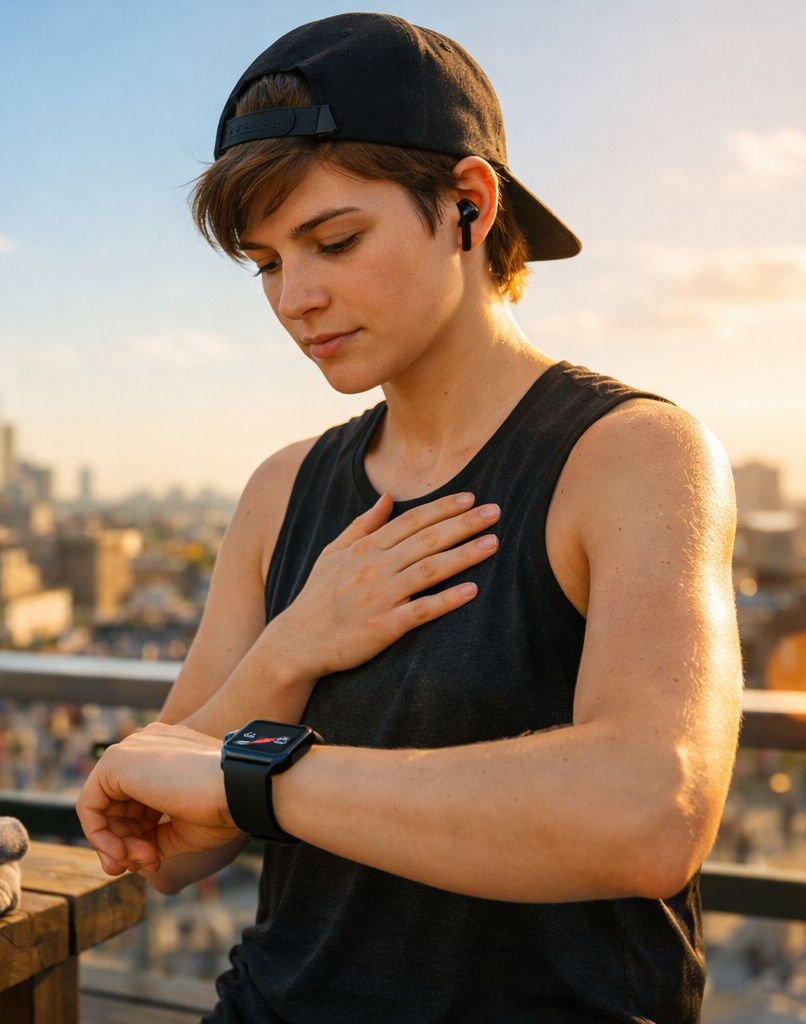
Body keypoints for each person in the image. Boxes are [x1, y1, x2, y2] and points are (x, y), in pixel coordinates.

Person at [76, 12, 743, 1022]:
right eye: (267, 263)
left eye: (334, 241)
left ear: (469, 206)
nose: (295, 298)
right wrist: (294, 646)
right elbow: (166, 845)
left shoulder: (631, 455)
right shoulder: (283, 490)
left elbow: (653, 811)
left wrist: (257, 779)